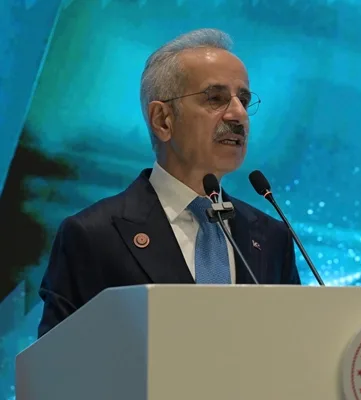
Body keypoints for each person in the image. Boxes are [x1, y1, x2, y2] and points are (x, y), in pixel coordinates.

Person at [37, 28, 301, 338]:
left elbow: (295, 345)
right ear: (163, 120)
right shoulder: (93, 235)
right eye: (215, 99)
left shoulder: (271, 237)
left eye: (243, 100)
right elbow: (58, 362)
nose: (238, 115)